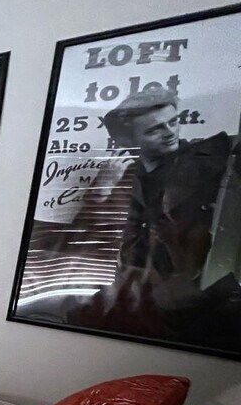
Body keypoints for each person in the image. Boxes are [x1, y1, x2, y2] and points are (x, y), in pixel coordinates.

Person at [75, 85, 240, 350]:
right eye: (154, 130)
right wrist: (102, 189)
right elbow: (88, 237)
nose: (170, 132)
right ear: (131, 139)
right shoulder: (123, 173)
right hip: (134, 296)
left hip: (192, 299)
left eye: (173, 121)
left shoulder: (209, 159)